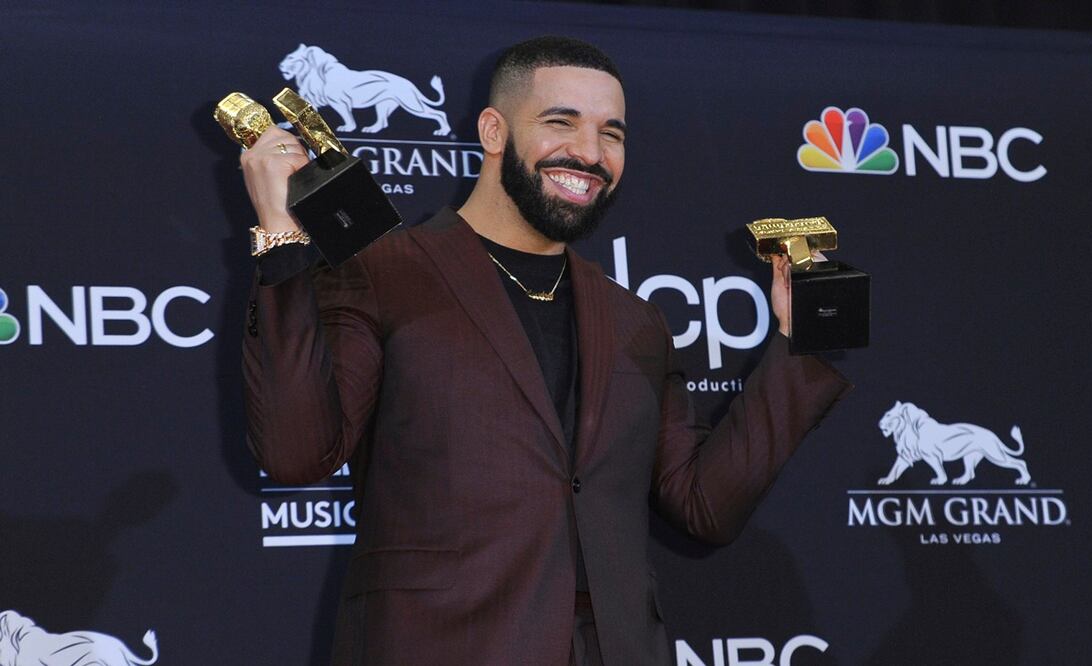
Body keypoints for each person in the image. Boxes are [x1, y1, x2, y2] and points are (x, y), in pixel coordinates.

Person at [239, 36, 850, 666]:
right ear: (493, 130)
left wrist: (797, 341)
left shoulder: (635, 319)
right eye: (561, 122)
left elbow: (704, 506)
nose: (589, 153)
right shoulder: (385, 271)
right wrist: (280, 238)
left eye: (612, 133)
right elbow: (295, 453)